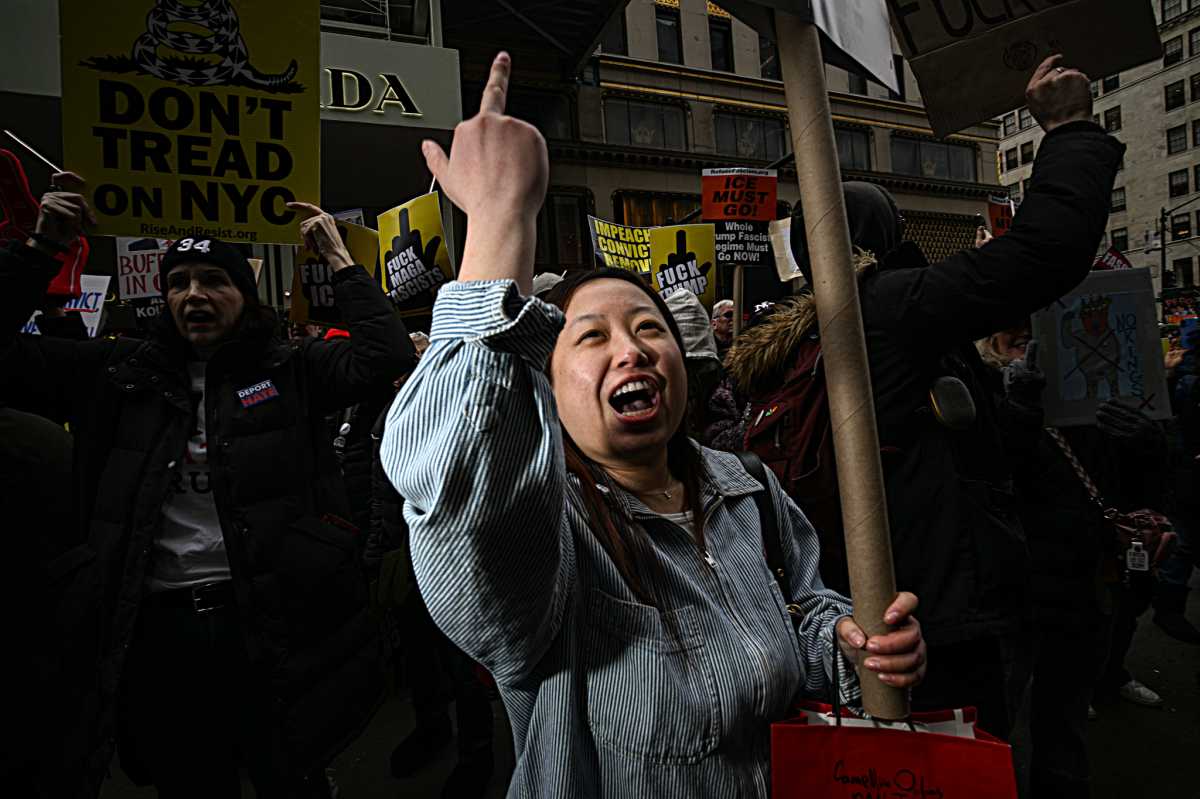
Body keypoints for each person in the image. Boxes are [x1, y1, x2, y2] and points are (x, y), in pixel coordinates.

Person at [381, 52, 926, 797]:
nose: (632, 349)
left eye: (649, 327)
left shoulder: (747, 488)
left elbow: (798, 614)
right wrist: (499, 226)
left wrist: (850, 645)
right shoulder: (545, 523)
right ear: (544, 381)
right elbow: (462, 479)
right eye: (591, 336)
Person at [730, 55, 1123, 758]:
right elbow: (1044, 254)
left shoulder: (793, 346)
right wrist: (1068, 128)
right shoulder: (886, 309)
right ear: (886, 237)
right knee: (955, 766)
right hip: (934, 617)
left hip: (846, 617)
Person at [0, 177, 416, 798]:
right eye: (179, 282)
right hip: (158, 636)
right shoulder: (116, 373)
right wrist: (41, 250)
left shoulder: (291, 369)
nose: (194, 294)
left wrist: (339, 260)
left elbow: (388, 359)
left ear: (245, 297)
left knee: (289, 776)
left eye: (214, 280)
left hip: (272, 624)